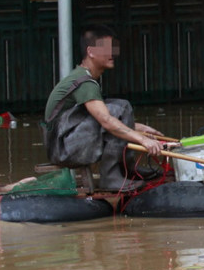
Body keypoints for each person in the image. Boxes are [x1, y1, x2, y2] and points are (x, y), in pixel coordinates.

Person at [44, 24, 166, 192]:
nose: (112, 54)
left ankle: (125, 169)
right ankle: (110, 177)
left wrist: (140, 129)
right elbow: (106, 121)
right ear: (91, 52)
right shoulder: (84, 82)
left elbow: (98, 117)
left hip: (68, 141)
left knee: (122, 107)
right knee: (118, 110)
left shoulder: (86, 78)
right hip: (63, 148)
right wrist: (143, 140)